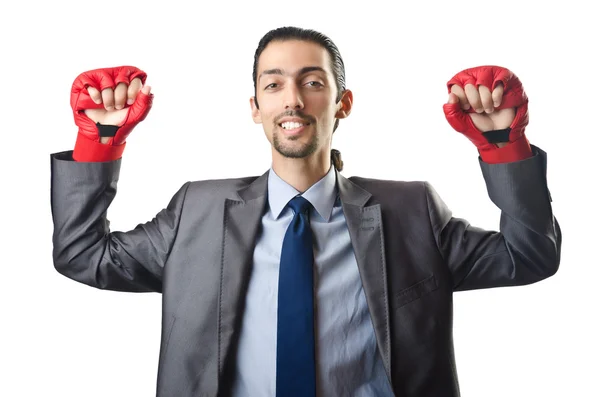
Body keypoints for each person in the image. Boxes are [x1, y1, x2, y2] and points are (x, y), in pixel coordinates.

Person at [50, 26, 561, 397]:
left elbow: (528, 256)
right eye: (273, 85)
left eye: (313, 82)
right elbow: (84, 256)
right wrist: (99, 145)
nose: (292, 100)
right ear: (255, 107)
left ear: (343, 103)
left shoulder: (410, 211)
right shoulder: (197, 210)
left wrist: (502, 146)